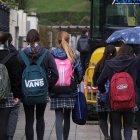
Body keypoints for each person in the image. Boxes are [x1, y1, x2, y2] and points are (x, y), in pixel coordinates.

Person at [19, 29, 59, 140]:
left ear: (27, 39)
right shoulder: (46, 54)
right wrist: (47, 86)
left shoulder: (21, 55)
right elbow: (55, 74)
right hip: (42, 91)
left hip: (27, 92)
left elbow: (17, 76)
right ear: (38, 38)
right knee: (40, 117)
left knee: (29, 119)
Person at [97, 44, 138, 140]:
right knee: (128, 125)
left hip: (114, 100)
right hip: (130, 100)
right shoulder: (134, 62)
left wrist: (103, 92)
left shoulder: (110, 63)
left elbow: (99, 82)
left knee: (116, 125)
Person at [50, 31, 83, 140]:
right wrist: (77, 82)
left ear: (57, 40)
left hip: (56, 89)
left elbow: (47, 71)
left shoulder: (51, 54)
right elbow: (79, 74)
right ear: (68, 40)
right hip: (70, 90)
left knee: (58, 116)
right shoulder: (73, 54)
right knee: (67, 117)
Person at [0, 31, 21, 140]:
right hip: (7, 95)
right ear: (7, 42)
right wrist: (17, 96)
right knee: (4, 124)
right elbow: (15, 78)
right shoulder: (12, 57)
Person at [93, 45, 117, 140]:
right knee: (113, 119)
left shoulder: (99, 64)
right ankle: (113, 136)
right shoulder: (117, 64)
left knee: (102, 118)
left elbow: (95, 81)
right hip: (114, 96)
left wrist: (102, 91)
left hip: (102, 96)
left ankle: (106, 136)